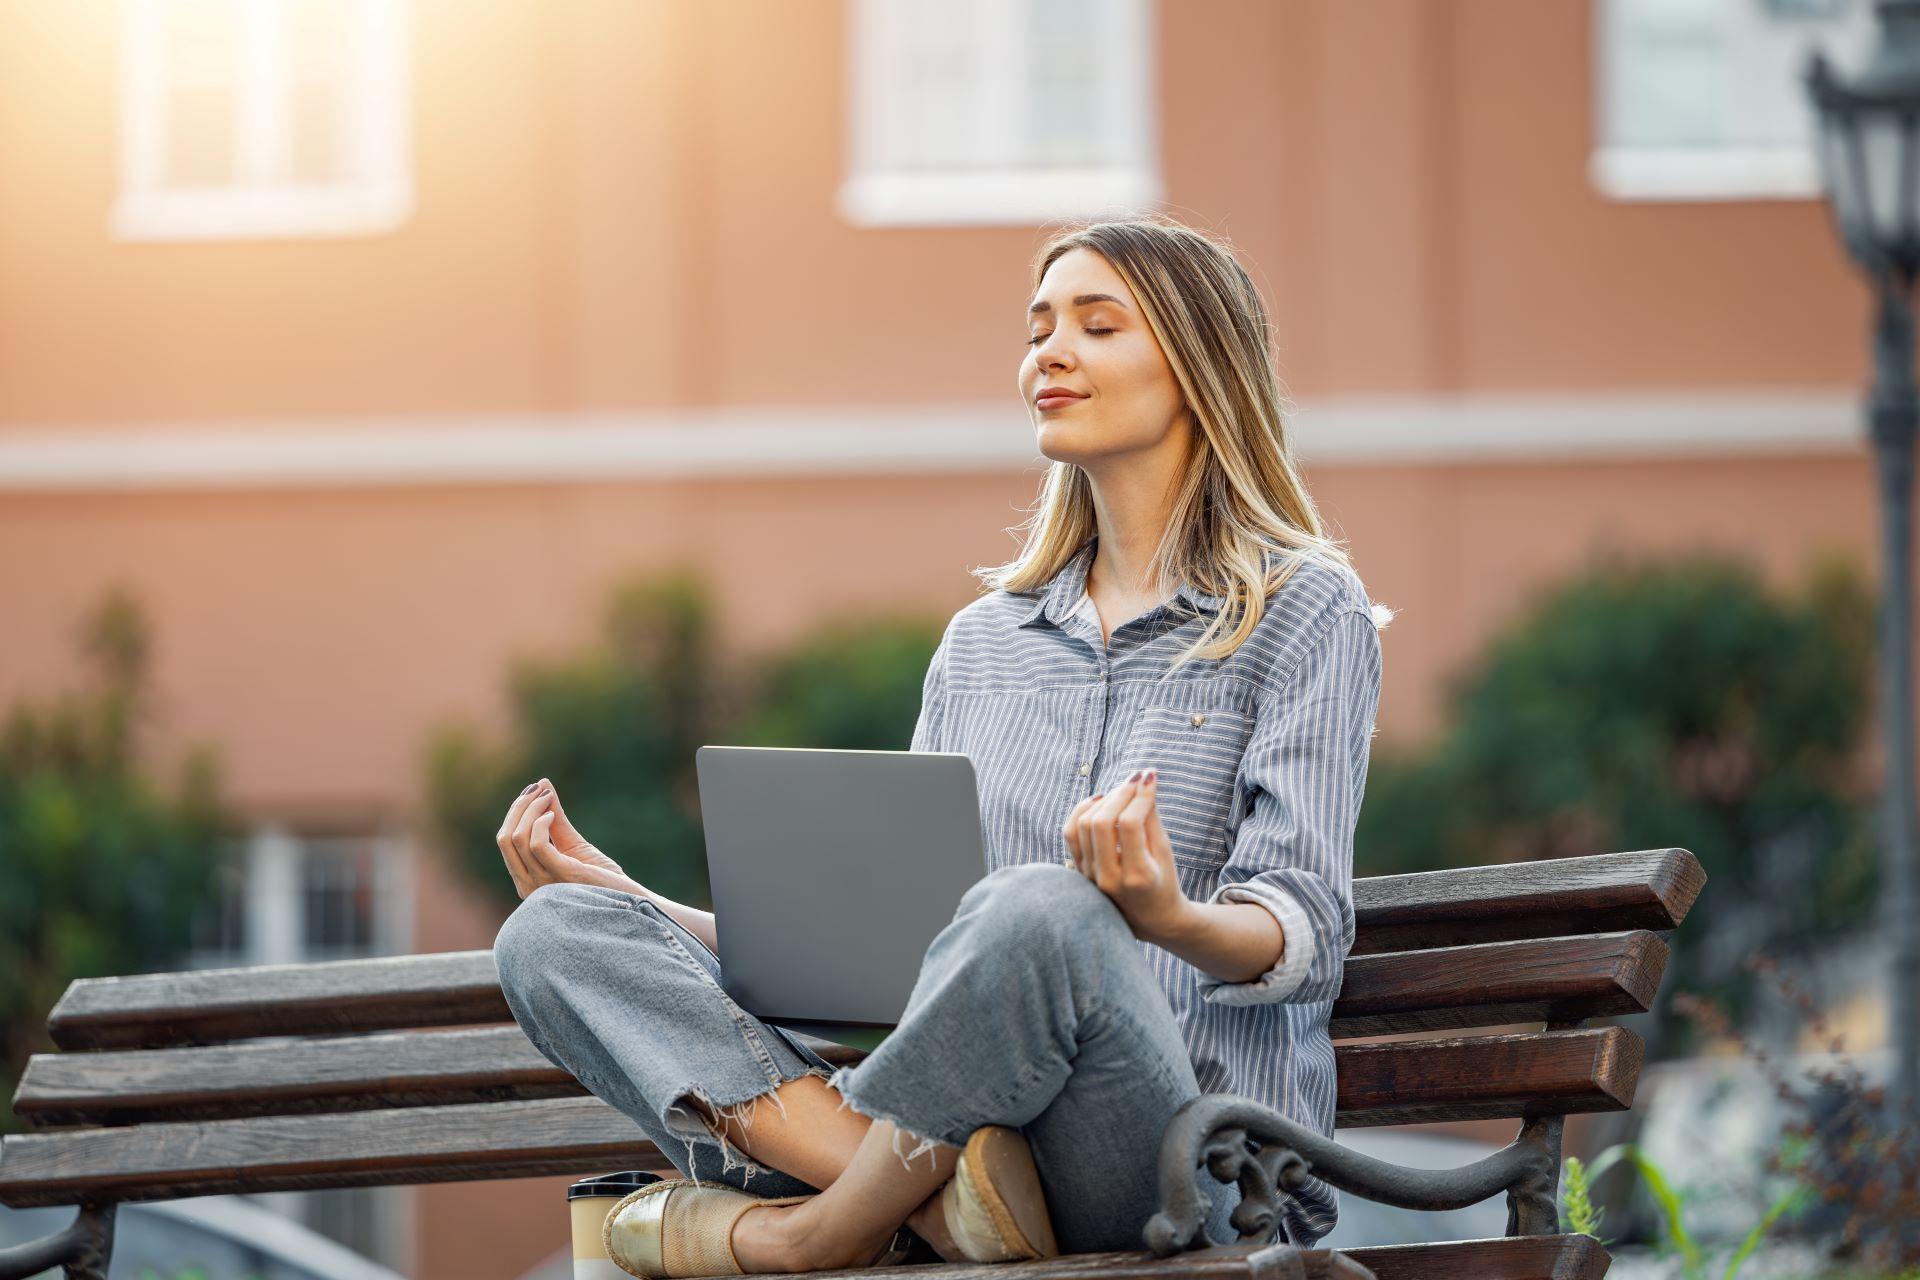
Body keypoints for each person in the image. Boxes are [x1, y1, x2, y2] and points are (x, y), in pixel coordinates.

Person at [490, 215, 1390, 1278]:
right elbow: (908, 956)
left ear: (1199, 365)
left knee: (1043, 906)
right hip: (969, 1147)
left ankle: (822, 1228)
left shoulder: (1303, 609)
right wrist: (637, 901)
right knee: (554, 934)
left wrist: (1166, 914)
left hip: (1182, 1163)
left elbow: (1304, 926)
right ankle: (931, 1210)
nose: (1049, 352)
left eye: (1098, 326)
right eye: (1039, 327)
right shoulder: (983, 644)